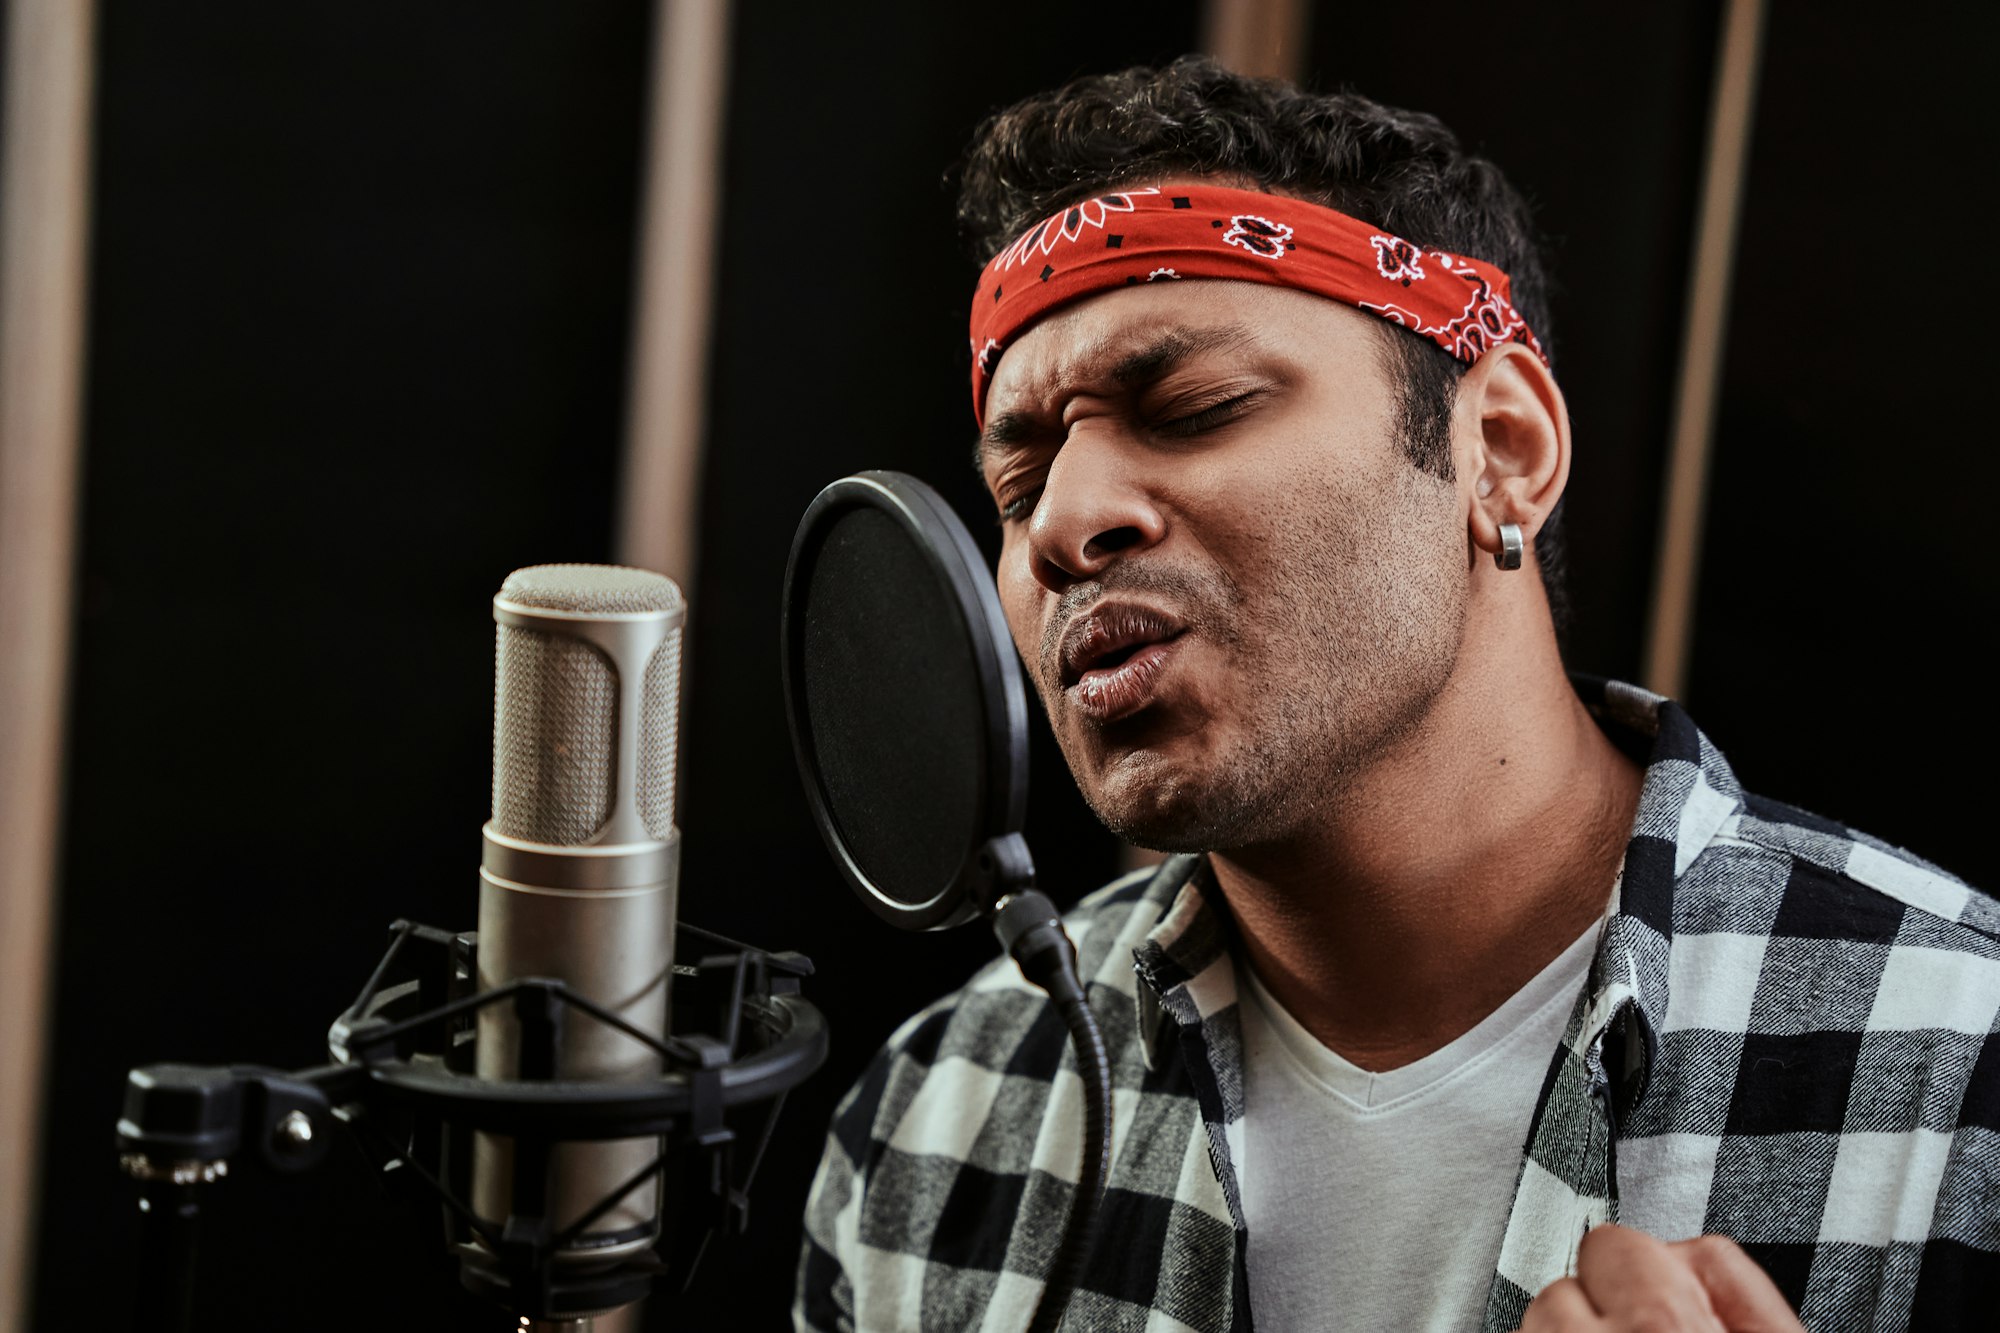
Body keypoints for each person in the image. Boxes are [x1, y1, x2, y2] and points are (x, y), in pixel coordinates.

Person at [795, 58, 2000, 1332]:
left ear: (1501, 451)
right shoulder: (932, 1122)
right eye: (1018, 486)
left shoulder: (1962, 1077)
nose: (1067, 525)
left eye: (1195, 406)